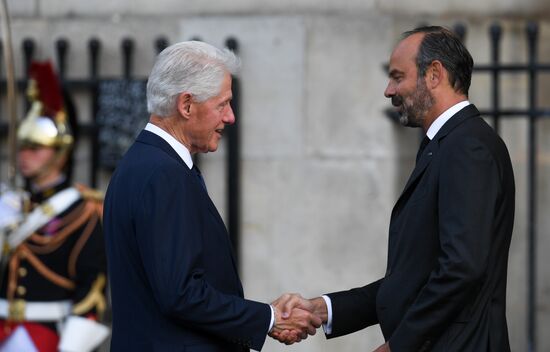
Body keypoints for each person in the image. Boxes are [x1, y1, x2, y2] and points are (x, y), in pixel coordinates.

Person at [272, 26, 516, 352]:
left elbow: (461, 268)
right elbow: (413, 278)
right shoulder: (446, 145)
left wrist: (399, 346)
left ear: (434, 74)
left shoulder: (466, 147)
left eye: (398, 77)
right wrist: (324, 309)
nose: (389, 90)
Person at [103, 41, 321, 351]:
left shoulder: (141, 164)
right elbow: (181, 294)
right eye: (223, 104)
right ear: (187, 105)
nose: (231, 117)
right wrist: (269, 318)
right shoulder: (164, 174)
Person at [0, 61, 109, 352]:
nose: (25, 156)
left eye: (35, 149)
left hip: (47, 337)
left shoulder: (83, 210)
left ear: (60, 152)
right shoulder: (12, 204)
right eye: (22, 147)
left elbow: (91, 290)